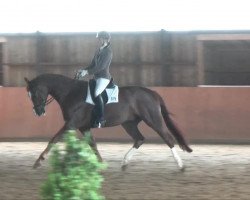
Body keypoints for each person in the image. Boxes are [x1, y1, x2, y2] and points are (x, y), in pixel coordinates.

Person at [77, 31, 113, 128]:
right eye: (99, 38)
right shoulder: (98, 50)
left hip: (104, 77)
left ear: (105, 39)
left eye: (100, 38)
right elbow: (92, 65)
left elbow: (101, 67)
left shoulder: (108, 51)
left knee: (97, 93)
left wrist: (87, 72)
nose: (99, 40)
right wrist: (83, 70)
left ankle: (101, 119)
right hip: (96, 77)